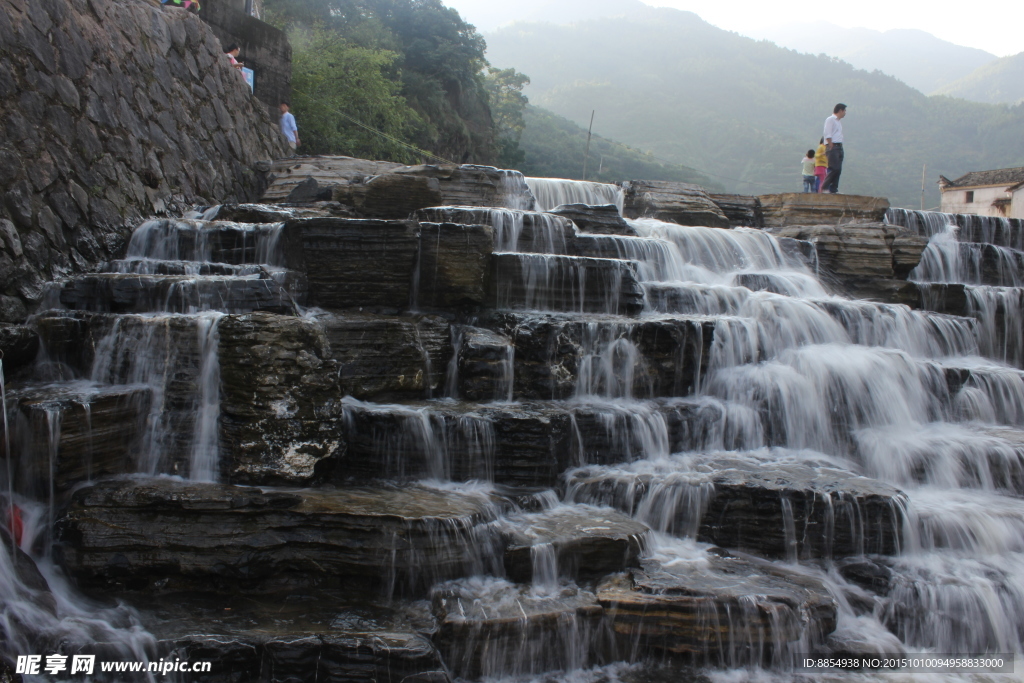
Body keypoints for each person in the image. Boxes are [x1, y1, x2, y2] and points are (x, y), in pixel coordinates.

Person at [821, 103, 847, 194]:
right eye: (844, 111)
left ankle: (833, 189)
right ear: (840, 110)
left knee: (838, 169)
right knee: (834, 168)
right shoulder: (830, 119)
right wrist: (830, 144)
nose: (845, 113)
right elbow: (827, 132)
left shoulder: (838, 122)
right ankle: (824, 187)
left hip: (839, 146)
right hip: (833, 146)